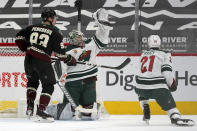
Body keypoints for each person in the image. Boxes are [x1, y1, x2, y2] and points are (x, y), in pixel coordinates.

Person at [46, 8, 112, 120]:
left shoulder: (90, 44)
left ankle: (102, 21)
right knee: (66, 115)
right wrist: (58, 71)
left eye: (81, 36)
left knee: (90, 114)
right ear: (72, 40)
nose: (80, 38)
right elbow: (59, 66)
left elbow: (102, 38)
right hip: (73, 83)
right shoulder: (66, 51)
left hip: (89, 81)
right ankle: (49, 109)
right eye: (77, 37)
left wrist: (103, 25)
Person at [15, 9, 76, 122]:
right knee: (48, 85)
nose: (56, 20)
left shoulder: (31, 27)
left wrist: (26, 48)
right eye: (55, 18)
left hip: (28, 59)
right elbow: (60, 55)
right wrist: (70, 59)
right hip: (42, 60)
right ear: (50, 19)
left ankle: (30, 107)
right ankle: (41, 110)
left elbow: (18, 37)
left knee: (32, 82)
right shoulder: (56, 32)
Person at [134, 35, 195, 126]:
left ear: (148, 44)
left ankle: (144, 105)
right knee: (171, 109)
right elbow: (166, 72)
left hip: (140, 88)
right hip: (157, 88)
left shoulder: (143, 53)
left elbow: (140, 72)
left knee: (140, 83)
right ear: (160, 43)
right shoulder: (165, 53)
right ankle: (175, 117)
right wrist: (171, 84)